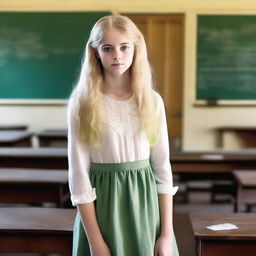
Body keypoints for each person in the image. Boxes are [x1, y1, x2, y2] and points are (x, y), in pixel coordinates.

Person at [67, 14, 179, 256]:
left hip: (147, 212)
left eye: (124, 47)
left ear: (135, 49)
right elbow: (79, 178)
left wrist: (167, 234)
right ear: (96, 52)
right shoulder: (82, 104)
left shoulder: (152, 101)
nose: (117, 55)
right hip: (103, 213)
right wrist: (96, 242)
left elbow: (162, 170)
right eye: (108, 48)